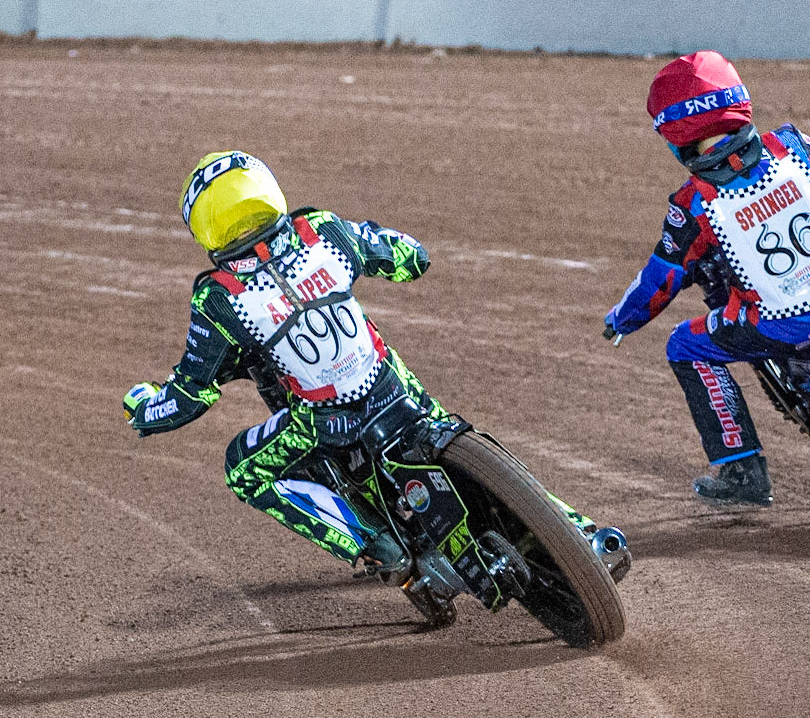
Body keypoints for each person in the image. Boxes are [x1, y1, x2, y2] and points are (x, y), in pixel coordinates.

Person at [124, 151, 598, 583]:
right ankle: (584, 532)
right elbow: (411, 257)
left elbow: (188, 397)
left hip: (323, 424)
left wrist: (145, 408)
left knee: (243, 470)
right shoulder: (322, 231)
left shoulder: (218, 296)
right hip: (394, 389)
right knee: (443, 424)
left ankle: (372, 545)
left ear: (205, 229)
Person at [604, 51, 810, 507]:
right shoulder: (791, 145)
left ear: (675, 136)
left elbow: (661, 280)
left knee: (685, 346)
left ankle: (741, 471)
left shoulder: (693, 204)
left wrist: (622, 320)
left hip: (781, 324)